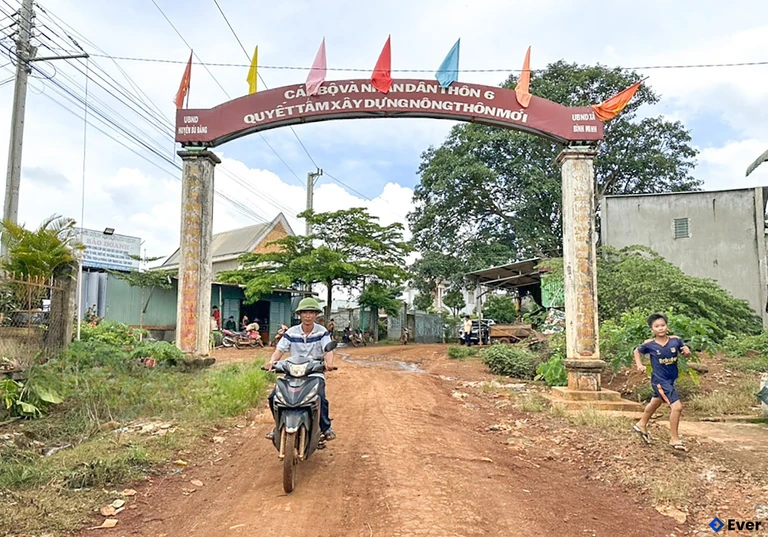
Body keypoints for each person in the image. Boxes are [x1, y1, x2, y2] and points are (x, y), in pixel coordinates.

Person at [265, 297, 336, 441]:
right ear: (300, 315)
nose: (308, 315)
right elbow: (280, 349)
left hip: (314, 373)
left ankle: (325, 427)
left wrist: (328, 364)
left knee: (320, 398)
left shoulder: (322, 332)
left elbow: (328, 350)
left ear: (316, 315)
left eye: (311, 312)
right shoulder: (291, 332)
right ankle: (278, 425)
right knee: (274, 397)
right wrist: (272, 362)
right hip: (292, 373)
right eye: (304, 312)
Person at [632, 313, 691, 451]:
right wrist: (639, 365)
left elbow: (685, 353)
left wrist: (687, 352)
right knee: (677, 407)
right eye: (657, 326)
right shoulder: (649, 345)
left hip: (671, 379)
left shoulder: (675, 341)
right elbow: (637, 351)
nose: (660, 328)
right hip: (659, 380)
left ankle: (641, 424)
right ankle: (674, 439)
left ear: (667, 327)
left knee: (656, 401)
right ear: (652, 330)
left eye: (663, 325)